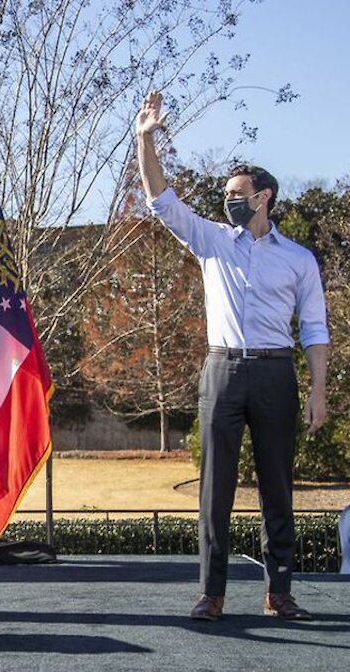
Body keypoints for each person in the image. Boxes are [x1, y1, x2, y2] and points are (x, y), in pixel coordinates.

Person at [134, 92, 329, 621]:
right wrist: (145, 137)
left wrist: (317, 390)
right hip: (220, 371)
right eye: (226, 193)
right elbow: (161, 200)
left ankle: (279, 592)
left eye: (238, 193)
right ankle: (211, 594)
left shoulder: (299, 260)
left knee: (278, 488)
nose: (229, 200)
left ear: (264, 197)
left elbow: (314, 328)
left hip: (274, 374)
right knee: (214, 489)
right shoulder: (212, 241)